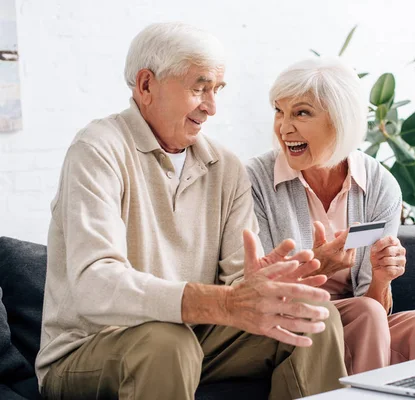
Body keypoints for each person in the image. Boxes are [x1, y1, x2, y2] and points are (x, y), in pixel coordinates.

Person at [35, 23, 347, 400]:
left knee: (312, 317)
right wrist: (223, 302)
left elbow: (237, 283)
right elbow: (94, 285)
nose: (211, 107)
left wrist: (261, 285)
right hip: (88, 349)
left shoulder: (226, 167)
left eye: (216, 90)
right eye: (199, 88)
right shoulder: (97, 150)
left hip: (193, 336)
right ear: (146, 85)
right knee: (167, 342)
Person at [246, 57, 415, 375]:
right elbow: (259, 292)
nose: (284, 127)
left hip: (359, 320)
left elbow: (376, 307)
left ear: (340, 120)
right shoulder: (255, 181)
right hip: (287, 322)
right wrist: (316, 266)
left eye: (301, 112)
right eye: (279, 111)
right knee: (366, 313)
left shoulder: (379, 184)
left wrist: (382, 277)